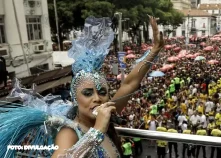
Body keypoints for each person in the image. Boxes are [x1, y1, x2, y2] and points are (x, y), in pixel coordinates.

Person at [0, 16, 164, 158]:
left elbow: (129, 83)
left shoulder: (104, 119)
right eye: (87, 93)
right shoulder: (70, 132)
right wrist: (96, 132)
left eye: (102, 92)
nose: (97, 98)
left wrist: (154, 50)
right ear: (74, 98)